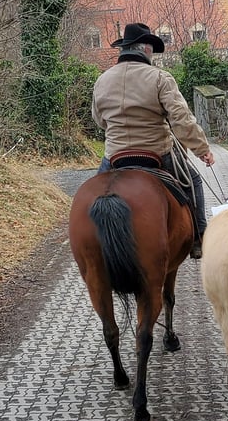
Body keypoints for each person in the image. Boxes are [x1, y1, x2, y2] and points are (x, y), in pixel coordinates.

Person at [91, 22, 215, 259]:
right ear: (146, 49)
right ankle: (198, 237)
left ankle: (94, 246)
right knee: (194, 182)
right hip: (156, 153)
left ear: (124, 49)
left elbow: (100, 120)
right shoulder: (160, 78)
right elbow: (181, 119)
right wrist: (202, 149)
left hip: (115, 155)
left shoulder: (102, 80)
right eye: (151, 48)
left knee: (93, 197)